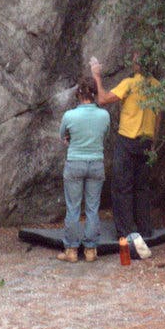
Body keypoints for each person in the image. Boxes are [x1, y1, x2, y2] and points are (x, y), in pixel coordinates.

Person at [90, 53, 161, 257]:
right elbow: (158, 117)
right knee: (141, 187)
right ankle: (145, 229)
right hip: (146, 141)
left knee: (122, 187)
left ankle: (126, 232)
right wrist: (154, 143)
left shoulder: (130, 83)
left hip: (128, 139)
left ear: (137, 64)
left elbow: (102, 99)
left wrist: (96, 76)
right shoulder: (157, 86)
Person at [57, 79, 110, 263]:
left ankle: (71, 250)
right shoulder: (104, 115)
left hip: (75, 162)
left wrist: (71, 141)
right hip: (96, 162)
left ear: (78, 94)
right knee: (92, 208)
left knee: (73, 208)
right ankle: (90, 250)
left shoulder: (69, 115)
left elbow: (63, 136)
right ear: (94, 94)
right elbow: (105, 135)